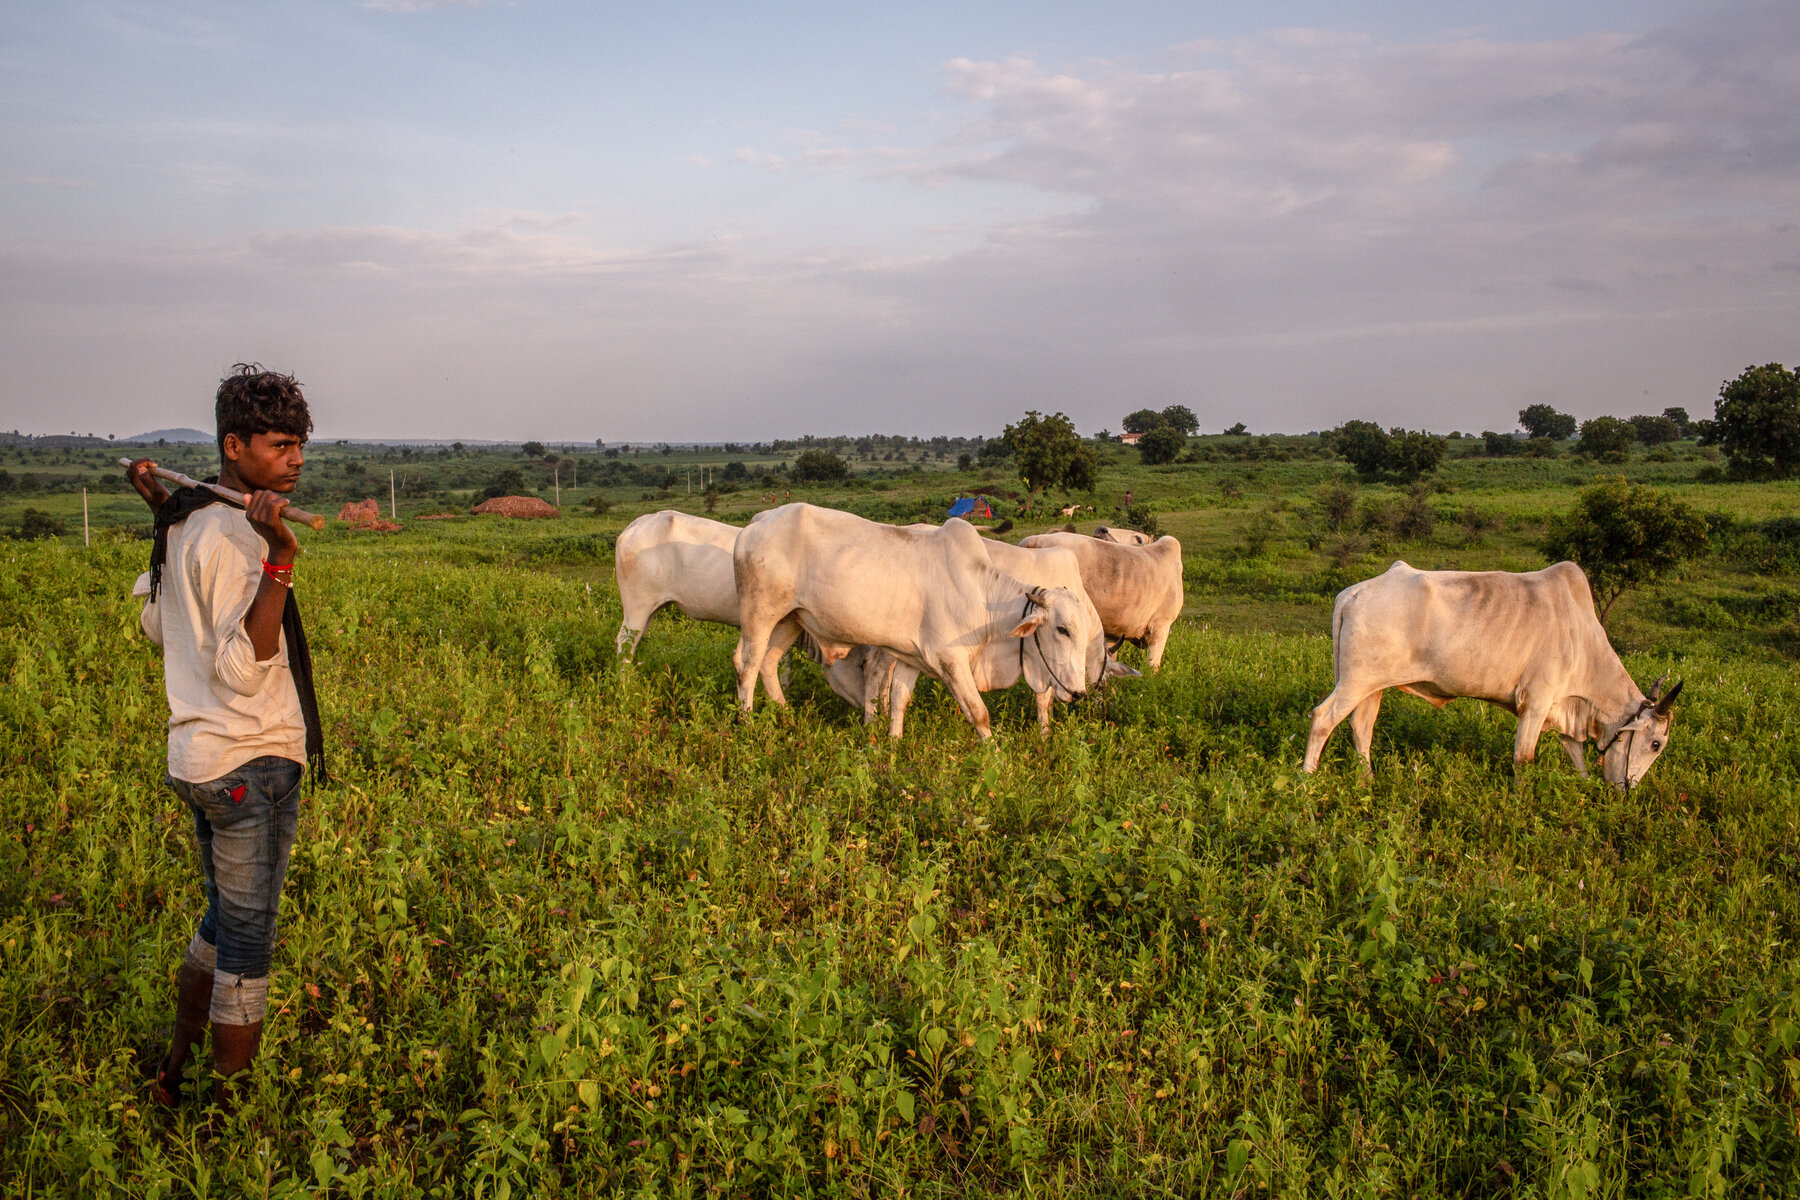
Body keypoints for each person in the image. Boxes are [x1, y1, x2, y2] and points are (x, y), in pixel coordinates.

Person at [127, 364, 325, 1113]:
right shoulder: (236, 536)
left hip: (198, 760)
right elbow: (246, 672)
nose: (296, 459)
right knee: (249, 943)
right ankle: (230, 1118)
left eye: (300, 444)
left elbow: (157, 620)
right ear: (233, 447)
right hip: (251, 762)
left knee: (222, 919)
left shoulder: (187, 518)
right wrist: (279, 559)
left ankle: (175, 1070)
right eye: (279, 445)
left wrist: (159, 513)